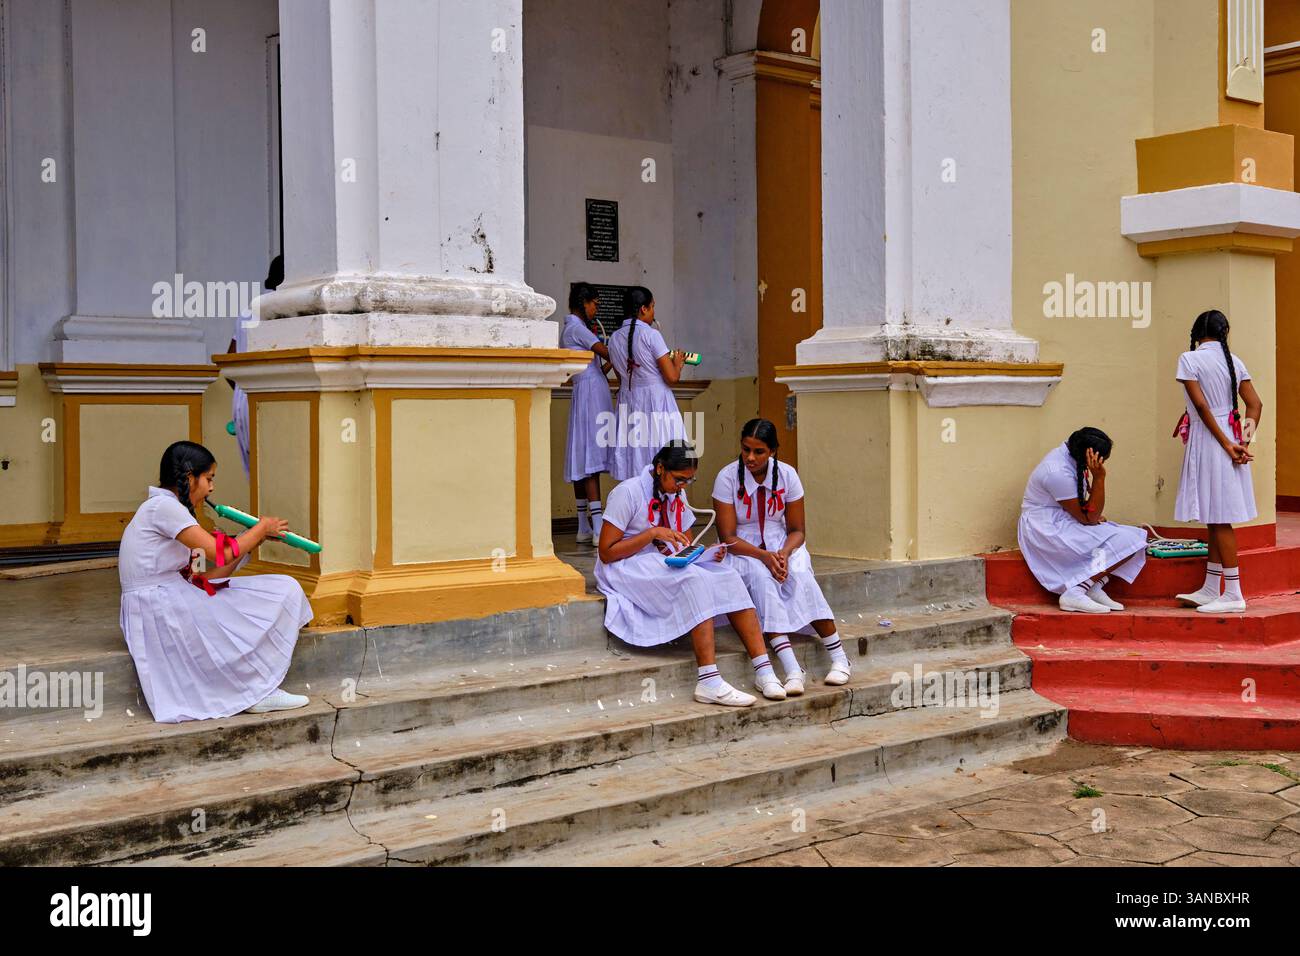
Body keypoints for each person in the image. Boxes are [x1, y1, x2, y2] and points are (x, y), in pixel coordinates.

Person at [117, 440, 313, 722]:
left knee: (285, 588)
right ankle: (256, 691)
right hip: (159, 607)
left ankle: (256, 689)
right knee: (239, 617)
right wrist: (258, 530)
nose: (211, 488)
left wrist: (249, 541)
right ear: (189, 478)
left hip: (176, 596)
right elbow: (219, 553)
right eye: (208, 478)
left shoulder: (174, 511)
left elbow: (202, 578)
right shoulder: (162, 508)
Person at [595, 441, 789, 705]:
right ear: (660, 468)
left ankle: (764, 670)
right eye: (678, 479)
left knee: (727, 574)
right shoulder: (627, 493)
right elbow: (606, 552)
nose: (682, 486)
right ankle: (708, 680)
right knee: (695, 580)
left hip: (663, 562)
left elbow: (684, 542)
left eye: (688, 481)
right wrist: (651, 534)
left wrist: (704, 552)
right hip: (626, 565)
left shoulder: (677, 494)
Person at [711, 419, 846, 693]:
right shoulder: (726, 477)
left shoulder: (787, 475)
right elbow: (728, 537)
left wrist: (782, 554)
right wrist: (764, 557)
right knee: (762, 579)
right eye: (746, 449)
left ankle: (840, 658)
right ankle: (792, 667)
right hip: (743, 547)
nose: (750, 457)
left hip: (782, 542)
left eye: (759, 451)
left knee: (799, 576)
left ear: (773, 450)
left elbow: (797, 530)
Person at [1173, 309, 1263, 613]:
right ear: (1225, 333)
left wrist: (1227, 444)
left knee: (1220, 517)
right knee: (1214, 514)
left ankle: (1234, 593)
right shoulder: (1234, 361)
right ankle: (1212, 588)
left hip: (1213, 442)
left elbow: (1199, 405)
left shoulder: (1190, 358)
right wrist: (1243, 441)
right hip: (1229, 440)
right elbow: (1255, 404)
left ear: (1198, 333)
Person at [1018, 427, 1148, 613]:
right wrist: (1100, 478)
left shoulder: (1070, 456)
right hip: (1046, 529)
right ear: (1089, 455)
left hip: (1060, 520)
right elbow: (1089, 518)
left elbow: (1087, 512)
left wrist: (1089, 514)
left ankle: (1092, 585)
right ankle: (1075, 592)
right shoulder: (1057, 472)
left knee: (1134, 536)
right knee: (1129, 540)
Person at [605, 286, 687, 481]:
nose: (653, 312)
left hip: (629, 400)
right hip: (656, 400)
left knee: (635, 454)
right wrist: (678, 363)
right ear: (643, 309)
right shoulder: (652, 335)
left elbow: (621, 375)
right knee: (662, 451)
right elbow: (671, 377)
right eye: (652, 307)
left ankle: (638, 504)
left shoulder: (614, 338)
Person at [560, 283, 614, 543]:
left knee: (583, 458)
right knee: (590, 460)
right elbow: (606, 351)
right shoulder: (577, 329)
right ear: (583, 302)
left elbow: (598, 368)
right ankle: (599, 526)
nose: (596, 309)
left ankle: (584, 526)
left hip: (588, 389)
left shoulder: (572, 329)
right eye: (594, 303)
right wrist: (624, 344)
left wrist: (613, 361)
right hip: (590, 396)